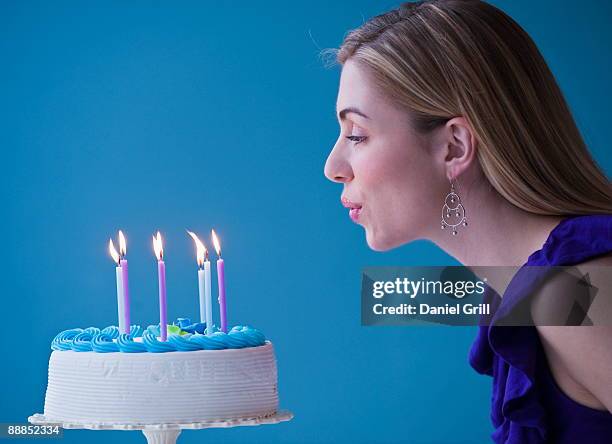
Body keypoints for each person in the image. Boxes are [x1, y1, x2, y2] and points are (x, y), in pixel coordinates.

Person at [322, 1, 612, 442]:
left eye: (357, 135)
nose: (333, 165)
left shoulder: (574, 291)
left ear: (455, 146)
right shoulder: (525, 293)